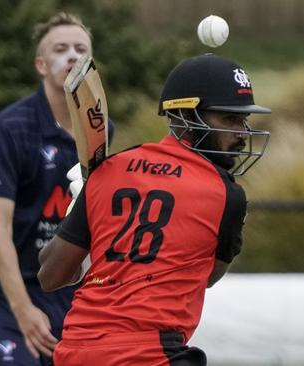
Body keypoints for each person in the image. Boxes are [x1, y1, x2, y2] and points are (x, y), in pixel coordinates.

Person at [38, 53, 271, 365]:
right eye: (230, 119)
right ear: (187, 117)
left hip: (75, 350)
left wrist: (79, 212)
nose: (242, 133)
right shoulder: (228, 195)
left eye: (243, 120)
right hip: (151, 353)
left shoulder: (109, 171)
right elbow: (206, 277)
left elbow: (50, 275)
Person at [0, 12, 114, 366]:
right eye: (60, 49)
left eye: (81, 49)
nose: (72, 56)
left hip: (65, 287)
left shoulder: (101, 129)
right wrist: (22, 309)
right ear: (41, 65)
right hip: (5, 291)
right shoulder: (10, 128)